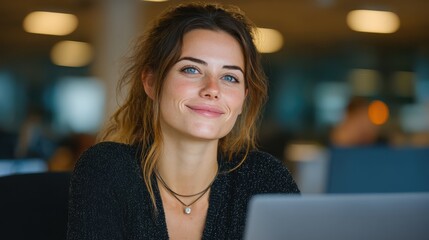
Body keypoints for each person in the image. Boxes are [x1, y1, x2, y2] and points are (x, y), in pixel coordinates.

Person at [67, 3, 300, 240]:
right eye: (191, 69)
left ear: (242, 99)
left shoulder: (265, 179)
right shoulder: (108, 169)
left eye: (230, 77)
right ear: (151, 82)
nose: (212, 89)